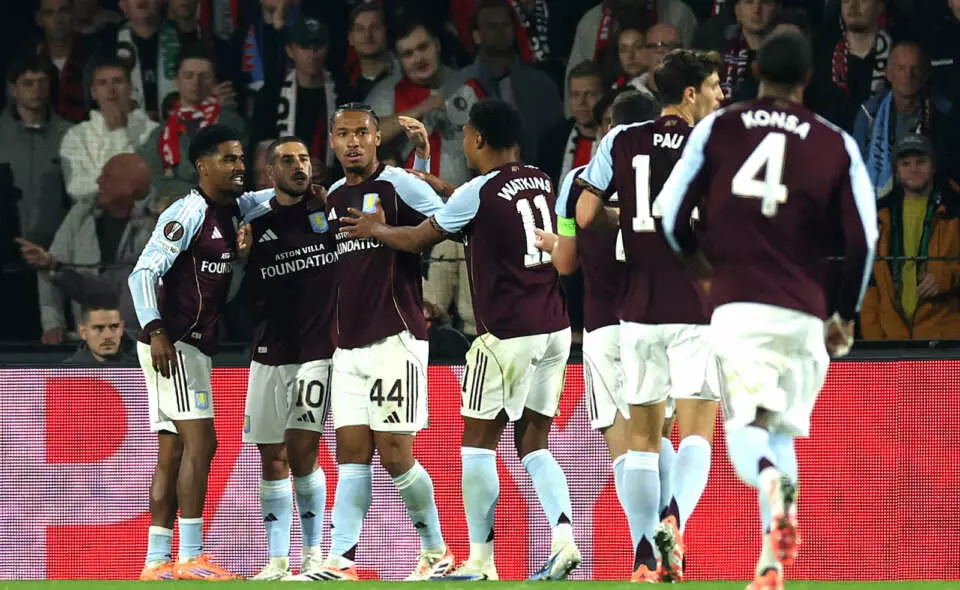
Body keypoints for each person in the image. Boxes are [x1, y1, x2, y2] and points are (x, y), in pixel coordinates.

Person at [657, 30, 878, 590]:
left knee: (746, 435)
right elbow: (865, 240)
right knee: (778, 431)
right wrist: (845, 315)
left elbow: (669, 214)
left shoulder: (719, 127)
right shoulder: (834, 142)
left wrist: (701, 268)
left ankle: (771, 485)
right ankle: (772, 563)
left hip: (739, 306)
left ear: (754, 71)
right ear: (808, 79)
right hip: (805, 315)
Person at [340, 98, 581, 582]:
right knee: (533, 441)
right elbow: (490, 207)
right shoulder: (538, 177)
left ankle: (479, 560)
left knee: (477, 447)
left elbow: (418, 240)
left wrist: (374, 228)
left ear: (477, 140)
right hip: (556, 328)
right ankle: (564, 538)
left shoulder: (477, 189)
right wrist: (443, 187)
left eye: (468, 135)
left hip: (508, 333)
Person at [573, 48, 724, 583]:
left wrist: (637, 222)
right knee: (699, 430)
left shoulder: (619, 139)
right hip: (695, 306)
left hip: (635, 310)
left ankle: (642, 556)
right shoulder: (714, 142)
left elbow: (585, 214)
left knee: (642, 439)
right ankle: (673, 519)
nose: (720, 96)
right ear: (690, 95)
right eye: (713, 86)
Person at [311, 103, 454, 581]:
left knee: (395, 452)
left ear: (377, 139)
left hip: (395, 336)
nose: (352, 141)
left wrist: (385, 227)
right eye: (343, 133)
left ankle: (436, 552)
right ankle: (341, 560)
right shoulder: (332, 196)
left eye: (362, 133)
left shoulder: (398, 183)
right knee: (350, 453)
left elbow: (450, 221)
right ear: (331, 141)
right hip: (347, 344)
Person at [129, 124, 273, 580]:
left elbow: (220, 292)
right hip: (171, 344)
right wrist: (155, 331)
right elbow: (142, 273)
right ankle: (191, 556)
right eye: (229, 159)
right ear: (202, 165)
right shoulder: (187, 212)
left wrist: (244, 262)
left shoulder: (234, 211)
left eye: (241, 159)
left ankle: (156, 561)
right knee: (203, 443)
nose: (239, 167)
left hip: (189, 344)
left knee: (171, 451)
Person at [236, 136, 337, 580]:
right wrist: (240, 259)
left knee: (302, 449)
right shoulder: (254, 225)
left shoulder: (329, 211)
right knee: (270, 456)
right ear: (269, 173)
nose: (299, 166)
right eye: (287, 161)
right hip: (269, 351)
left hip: (317, 351)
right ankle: (277, 562)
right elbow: (243, 296)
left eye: (304, 159)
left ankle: (314, 556)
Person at [21, 153, 154, 345]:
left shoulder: (156, 227)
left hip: (141, 350)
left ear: (129, 188)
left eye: (107, 177)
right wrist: (53, 323)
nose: (98, 181)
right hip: (88, 344)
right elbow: (88, 288)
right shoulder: (81, 215)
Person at [861, 134, 960, 339]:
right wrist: (875, 340)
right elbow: (870, 285)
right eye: (906, 163)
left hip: (944, 339)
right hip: (892, 340)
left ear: (933, 167)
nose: (913, 169)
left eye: (921, 162)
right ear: (896, 170)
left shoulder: (955, 209)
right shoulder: (878, 216)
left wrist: (949, 275)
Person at [140, 44, 246, 192]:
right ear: (176, 81)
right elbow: (152, 181)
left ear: (215, 82)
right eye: (188, 76)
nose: (196, 82)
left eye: (205, 76)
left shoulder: (229, 124)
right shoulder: (161, 133)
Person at [59, 56, 159, 203]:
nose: (111, 90)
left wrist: (98, 177)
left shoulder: (153, 131)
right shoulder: (76, 136)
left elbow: (153, 184)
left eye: (118, 81)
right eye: (102, 83)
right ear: (93, 92)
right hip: (94, 221)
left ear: (130, 87)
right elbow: (75, 188)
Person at [0, 53, 72, 250]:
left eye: (42, 82)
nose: (37, 90)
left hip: (54, 250)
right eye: (28, 83)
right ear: (13, 89)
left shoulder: (70, 135)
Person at [538, 60, 605, 186]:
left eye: (589, 94)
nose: (581, 102)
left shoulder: (618, 141)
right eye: (575, 95)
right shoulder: (553, 142)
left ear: (604, 96)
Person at [63, 299, 137, 365]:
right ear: (83, 332)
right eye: (99, 328)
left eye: (114, 327)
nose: (108, 335)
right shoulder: (66, 374)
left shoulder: (142, 366)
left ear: (121, 329)